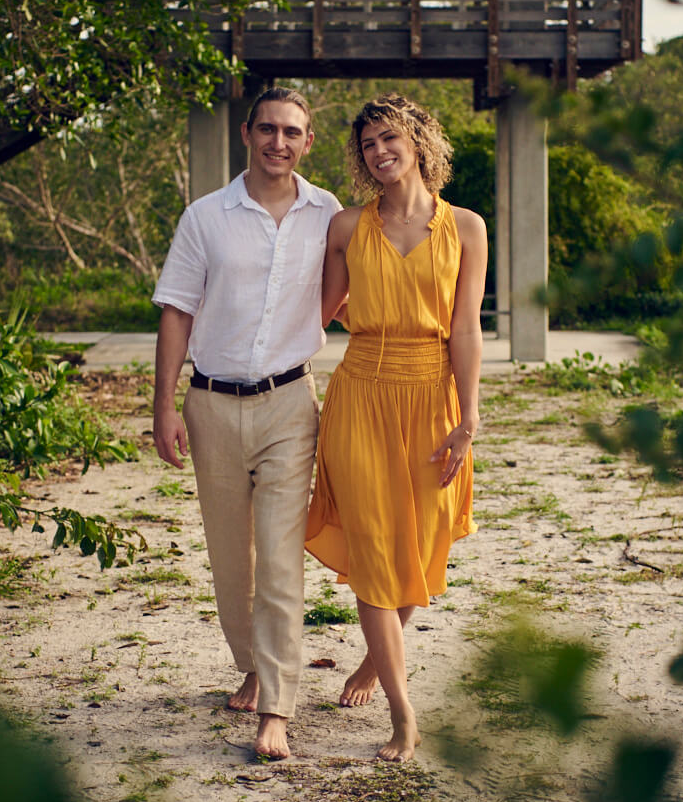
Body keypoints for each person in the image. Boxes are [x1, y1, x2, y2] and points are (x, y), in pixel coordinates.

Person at [151, 87, 343, 759]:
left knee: (281, 559)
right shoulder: (206, 218)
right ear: (246, 133)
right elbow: (175, 309)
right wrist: (163, 406)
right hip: (210, 404)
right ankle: (253, 663)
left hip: (291, 404)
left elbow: (343, 288)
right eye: (268, 129)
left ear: (308, 141)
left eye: (293, 132)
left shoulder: (329, 215)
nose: (279, 142)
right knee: (233, 558)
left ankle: (278, 712)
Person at [305, 92, 487, 762]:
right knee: (378, 552)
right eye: (368, 146)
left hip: (433, 396)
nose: (380, 153)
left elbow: (465, 328)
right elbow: (316, 314)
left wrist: (469, 418)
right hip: (361, 394)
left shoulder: (467, 226)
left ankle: (375, 661)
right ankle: (404, 716)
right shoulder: (347, 228)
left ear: (418, 140)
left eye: (389, 139)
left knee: (421, 548)